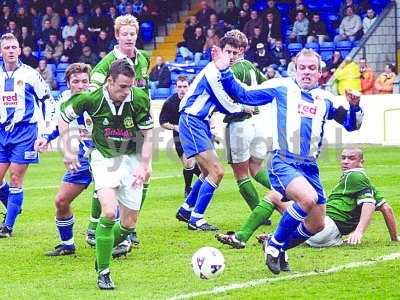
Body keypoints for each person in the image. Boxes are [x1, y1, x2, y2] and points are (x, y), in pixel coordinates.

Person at [212, 46, 363, 274]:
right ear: (295, 69)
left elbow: (352, 125)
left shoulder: (326, 99)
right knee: (308, 198)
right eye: (302, 67)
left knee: (317, 224)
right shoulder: (281, 87)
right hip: (283, 160)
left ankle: (277, 244)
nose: (306, 72)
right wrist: (224, 71)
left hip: (310, 167)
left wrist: (355, 107)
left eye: (312, 68)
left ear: (320, 72)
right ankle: (274, 246)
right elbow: (243, 95)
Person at [59, 59, 153, 290]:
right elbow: (63, 117)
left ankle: (104, 247)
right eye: (122, 86)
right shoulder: (91, 99)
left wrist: (144, 164)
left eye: (129, 86)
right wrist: (68, 150)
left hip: (131, 158)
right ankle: (104, 271)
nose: (126, 91)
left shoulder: (139, 98)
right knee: (109, 213)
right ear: (109, 81)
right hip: (103, 158)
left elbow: (148, 134)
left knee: (129, 223)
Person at [86, 14, 151, 256]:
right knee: (108, 181)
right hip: (112, 128)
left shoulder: (143, 58)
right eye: (124, 33)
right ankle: (97, 226)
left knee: (142, 177)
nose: (129, 37)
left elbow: (144, 87)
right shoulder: (107, 63)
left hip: (135, 124)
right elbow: (94, 92)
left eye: (132, 33)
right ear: (117, 36)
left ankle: (126, 226)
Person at [175, 35, 252, 231]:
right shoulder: (213, 72)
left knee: (208, 171)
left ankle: (186, 209)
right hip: (192, 120)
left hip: (199, 122)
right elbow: (225, 102)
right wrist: (244, 108)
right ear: (219, 52)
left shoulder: (224, 73)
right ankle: (197, 219)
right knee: (217, 171)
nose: (232, 56)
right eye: (228, 52)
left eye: (235, 53)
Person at [0, 33, 55, 238]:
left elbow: (48, 101)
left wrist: (46, 132)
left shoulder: (31, 74)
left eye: (14, 47)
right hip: (2, 131)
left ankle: (8, 226)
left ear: (19, 50)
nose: (11, 51)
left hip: (25, 132)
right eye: (7, 48)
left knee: (15, 177)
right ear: (1, 51)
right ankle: (14, 206)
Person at [37, 63, 93, 256]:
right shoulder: (64, 100)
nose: (80, 85)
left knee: (108, 201)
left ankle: (121, 239)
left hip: (105, 157)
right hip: (80, 160)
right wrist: (46, 138)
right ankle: (67, 244)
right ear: (68, 83)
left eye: (84, 81)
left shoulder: (99, 97)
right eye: (75, 81)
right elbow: (57, 123)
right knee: (61, 201)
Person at [222, 30, 272, 219]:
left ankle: (261, 214)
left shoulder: (232, 70)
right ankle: (286, 193)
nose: (231, 56)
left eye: (233, 52)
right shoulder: (251, 66)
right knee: (257, 168)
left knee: (241, 174)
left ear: (240, 50)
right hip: (257, 122)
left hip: (239, 123)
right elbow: (267, 85)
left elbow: (225, 97)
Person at [159, 75, 201, 197]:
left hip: (196, 135)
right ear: (175, 87)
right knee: (188, 162)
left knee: (198, 164)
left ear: (189, 87)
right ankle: (188, 188)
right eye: (179, 86)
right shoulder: (169, 103)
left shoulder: (196, 99)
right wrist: (175, 127)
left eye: (185, 86)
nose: (182, 89)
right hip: (180, 138)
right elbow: (162, 122)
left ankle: (205, 178)